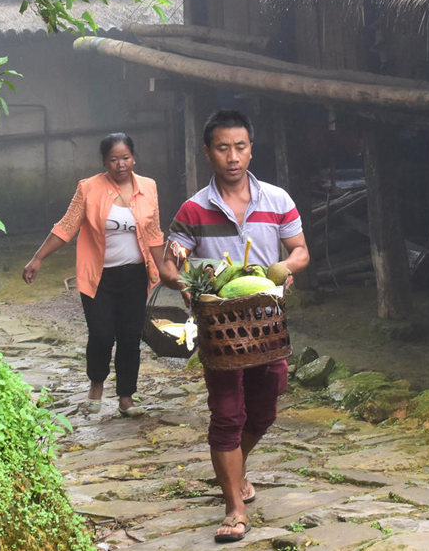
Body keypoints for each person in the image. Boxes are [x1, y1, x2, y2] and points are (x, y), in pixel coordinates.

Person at [161, 109, 309, 542]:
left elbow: (300, 250)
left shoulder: (278, 201)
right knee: (227, 414)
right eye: (222, 148)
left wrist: (282, 267)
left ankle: (235, 469)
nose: (232, 157)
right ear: (209, 153)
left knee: (265, 409)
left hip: (267, 327)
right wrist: (188, 281)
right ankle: (234, 506)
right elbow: (170, 266)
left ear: (251, 150)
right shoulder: (192, 209)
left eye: (240, 147)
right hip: (221, 330)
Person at [22, 132, 165, 417]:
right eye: (113, 159)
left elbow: (153, 233)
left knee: (129, 337)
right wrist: (38, 258)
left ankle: (126, 397)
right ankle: (96, 384)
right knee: (101, 334)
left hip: (135, 275)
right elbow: (66, 227)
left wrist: (166, 272)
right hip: (98, 277)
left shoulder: (148, 187)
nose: (121, 164)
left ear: (134, 157)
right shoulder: (88, 188)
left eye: (125, 158)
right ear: (104, 162)